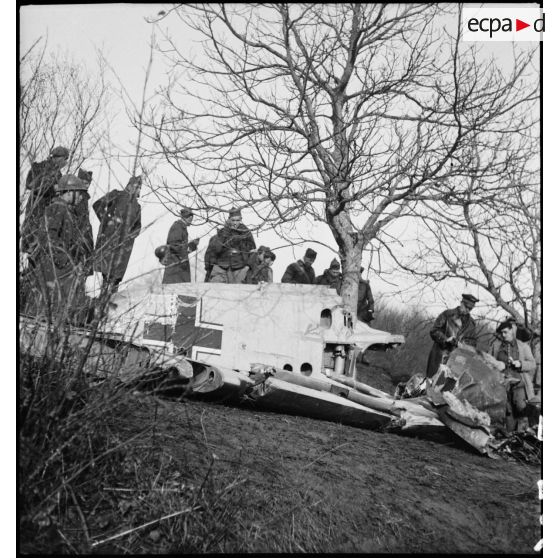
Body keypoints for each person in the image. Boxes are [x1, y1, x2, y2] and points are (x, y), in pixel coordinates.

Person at [32, 174, 94, 323]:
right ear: (68, 192)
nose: (80, 198)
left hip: (56, 263)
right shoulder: (57, 208)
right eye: (78, 193)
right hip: (52, 265)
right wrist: (65, 260)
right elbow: (48, 237)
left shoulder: (66, 210)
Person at [21, 146, 70, 264]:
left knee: (39, 247)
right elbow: (31, 185)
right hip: (36, 209)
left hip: (46, 213)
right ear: (58, 158)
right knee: (31, 243)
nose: (65, 163)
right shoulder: (39, 167)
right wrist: (52, 188)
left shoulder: (58, 174)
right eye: (65, 159)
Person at [93, 176, 142, 292]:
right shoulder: (116, 195)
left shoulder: (137, 206)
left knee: (115, 278)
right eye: (136, 187)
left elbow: (138, 226)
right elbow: (97, 205)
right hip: (110, 241)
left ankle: (111, 301)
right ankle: (103, 302)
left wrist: (130, 236)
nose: (138, 190)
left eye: (139, 188)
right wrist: (107, 222)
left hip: (124, 247)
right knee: (107, 273)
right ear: (129, 185)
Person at [491, 319, 537, 432]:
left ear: (512, 330)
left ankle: (523, 438)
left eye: (506, 332)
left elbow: (532, 364)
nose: (503, 335)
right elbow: (488, 361)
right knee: (508, 412)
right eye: (501, 333)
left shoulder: (523, 347)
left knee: (521, 410)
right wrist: (496, 365)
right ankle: (511, 438)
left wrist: (520, 364)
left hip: (519, 384)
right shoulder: (496, 346)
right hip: (502, 385)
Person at [425, 293, 479, 378]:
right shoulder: (447, 314)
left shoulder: (472, 324)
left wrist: (463, 345)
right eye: (466, 307)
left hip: (457, 362)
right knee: (431, 384)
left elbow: (473, 344)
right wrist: (445, 339)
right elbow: (434, 331)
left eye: (470, 308)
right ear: (461, 303)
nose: (468, 310)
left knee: (448, 388)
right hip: (440, 356)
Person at [209, 208, 256, 283]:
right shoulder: (222, 232)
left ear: (241, 220)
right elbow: (216, 250)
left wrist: (247, 266)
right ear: (229, 220)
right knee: (215, 289)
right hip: (222, 266)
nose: (235, 223)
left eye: (237, 220)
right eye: (233, 220)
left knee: (237, 292)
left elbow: (253, 251)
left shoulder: (246, 233)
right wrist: (225, 232)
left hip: (239, 267)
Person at [162, 207, 200, 284]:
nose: (191, 221)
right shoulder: (177, 227)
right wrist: (191, 246)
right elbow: (174, 246)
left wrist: (192, 245)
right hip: (175, 265)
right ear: (190, 217)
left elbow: (180, 247)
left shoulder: (181, 227)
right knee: (174, 289)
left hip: (179, 264)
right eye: (191, 218)